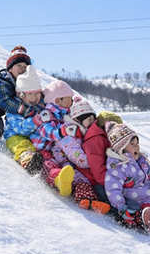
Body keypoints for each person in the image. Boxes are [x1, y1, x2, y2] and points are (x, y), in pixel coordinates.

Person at [31, 83, 110, 213]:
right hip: (45, 149)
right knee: (50, 166)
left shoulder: (68, 114)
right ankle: (58, 179)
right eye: (69, 97)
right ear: (58, 100)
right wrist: (62, 132)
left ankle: (89, 199)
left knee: (78, 176)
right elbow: (47, 131)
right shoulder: (47, 114)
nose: (72, 101)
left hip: (64, 153)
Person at [1, 66, 47, 174]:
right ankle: (28, 161)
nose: (35, 97)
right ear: (21, 94)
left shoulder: (38, 105)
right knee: (22, 146)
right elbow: (19, 129)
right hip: (15, 136)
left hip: (32, 137)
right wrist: (34, 121)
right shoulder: (15, 109)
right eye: (30, 94)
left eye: (37, 93)